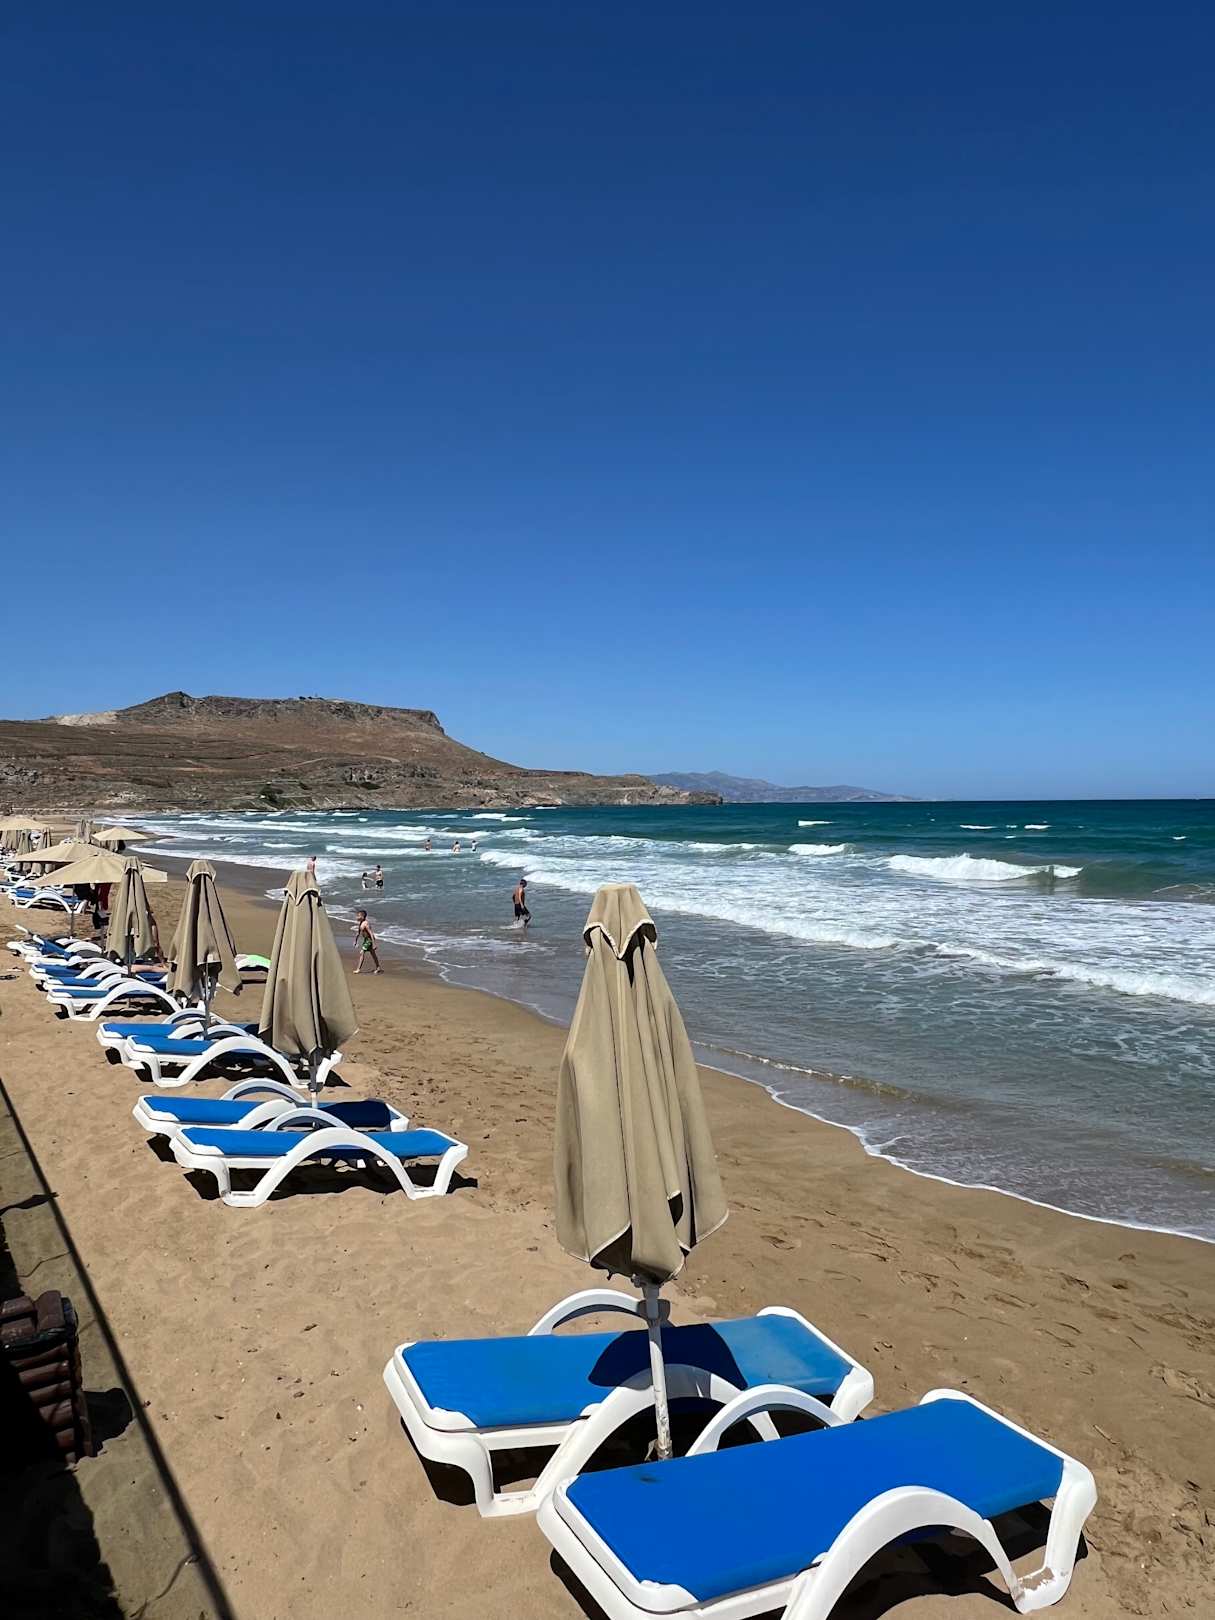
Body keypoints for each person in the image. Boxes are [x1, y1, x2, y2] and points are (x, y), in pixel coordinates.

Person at [352, 910, 382, 974]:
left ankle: (358, 969)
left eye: (358, 916)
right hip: (366, 940)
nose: (357, 917)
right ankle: (378, 968)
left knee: (362, 952)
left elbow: (371, 934)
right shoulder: (361, 923)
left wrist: (374, 944)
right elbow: (358, 933)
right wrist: (355, 941)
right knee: (373, 954)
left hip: (369, 940)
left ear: (363, 916)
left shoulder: (366, 923)